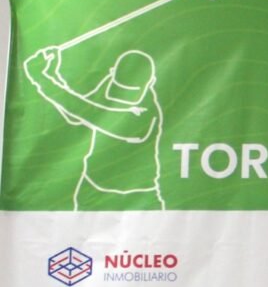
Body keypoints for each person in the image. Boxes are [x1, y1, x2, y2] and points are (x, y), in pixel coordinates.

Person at [23, 47, 165, 209]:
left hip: (138, 196)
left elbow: (87, 112)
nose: (122, 97)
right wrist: (53, 74)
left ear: (151, 82)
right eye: (118, 87)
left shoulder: (146, 112)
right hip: (92, 189)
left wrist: (42, 79)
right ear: (112, 73)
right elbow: (77, 115)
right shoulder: (107, 87)